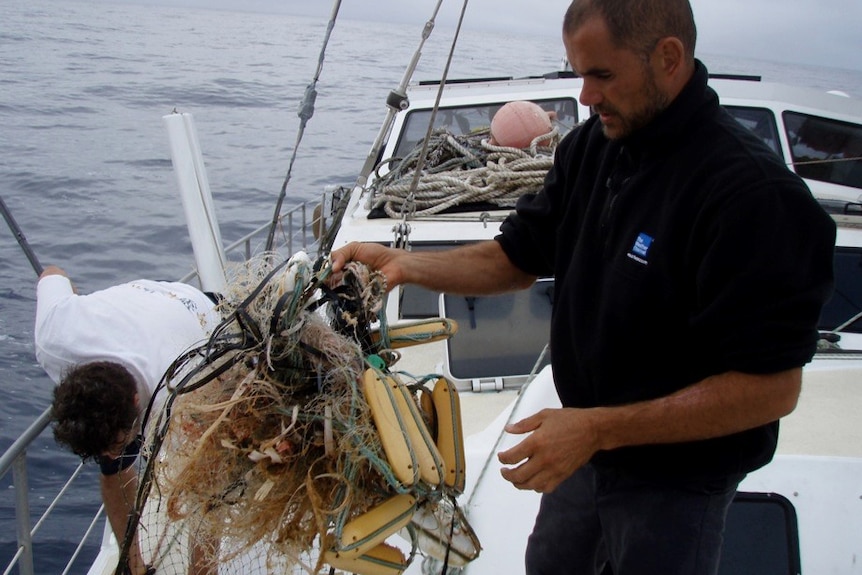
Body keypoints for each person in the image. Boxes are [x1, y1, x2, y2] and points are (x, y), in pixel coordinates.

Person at [330, 0, 836, 573]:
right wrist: (402, 264)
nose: (586, 97)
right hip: (590, 447)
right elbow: (515, 259)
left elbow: (771, 391)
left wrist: (597, 428)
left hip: (675, 481)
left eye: (602, 75)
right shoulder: (593, 147)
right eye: (579, 74)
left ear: (668, 58)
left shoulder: (753, 196)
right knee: (551, 564)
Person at [35, 265, 221, 575]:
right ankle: (133, 565)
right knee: (114, 469)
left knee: (205, 476)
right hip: (136, 308)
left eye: (116, 442)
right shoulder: (54, 334)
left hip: (199, 312)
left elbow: (210, 484)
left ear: (138, 402)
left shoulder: (181, 393)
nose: (110, 452)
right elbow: (52, 272)